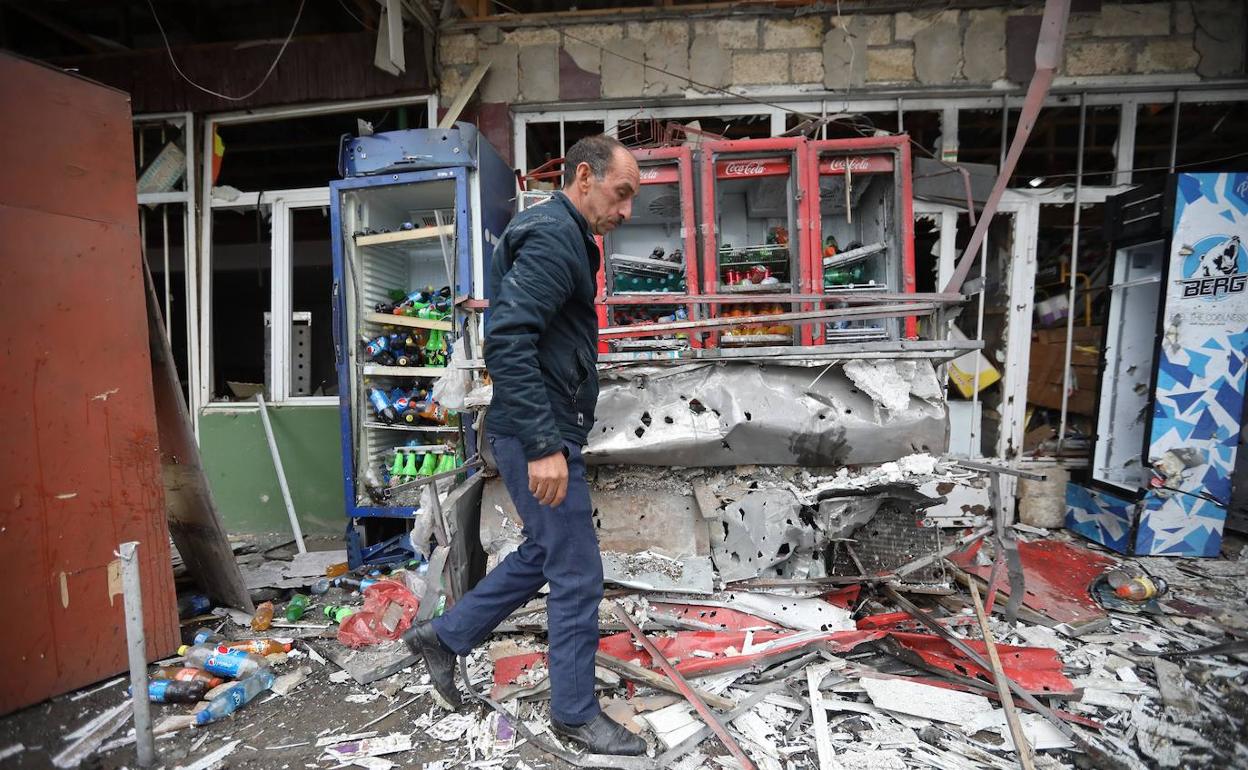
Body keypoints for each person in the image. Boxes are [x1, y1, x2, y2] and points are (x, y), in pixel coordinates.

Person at [403, 135, 644, 756]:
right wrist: (543, 445)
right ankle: (574, 713)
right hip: (538, 430)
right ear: (585, 177)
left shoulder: (565, 235)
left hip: (540, 425)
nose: (626, 211)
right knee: (577, 570)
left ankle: (444, 637)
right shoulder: (554, 236)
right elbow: (508, 338)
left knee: (546, 552)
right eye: (621, 194)